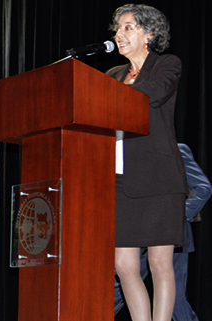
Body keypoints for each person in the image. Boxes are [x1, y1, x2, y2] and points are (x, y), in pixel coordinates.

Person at [107, 4, 189, 321]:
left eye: (128, 27)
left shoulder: (166, 65)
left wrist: (109, 96)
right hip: (120, 180)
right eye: (118, 28)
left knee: (159, 263)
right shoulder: (113, 75)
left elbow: (152, 94)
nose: (119, 34)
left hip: (159, 177)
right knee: (124, 265)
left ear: (148, 34)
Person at [115, 143, 211, 320]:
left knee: (176, 305)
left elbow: (203, 188)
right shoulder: (123, 152)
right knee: (114, 295)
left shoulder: (176, 149)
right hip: (134, 235)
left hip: (169, 236)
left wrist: (174, 219)